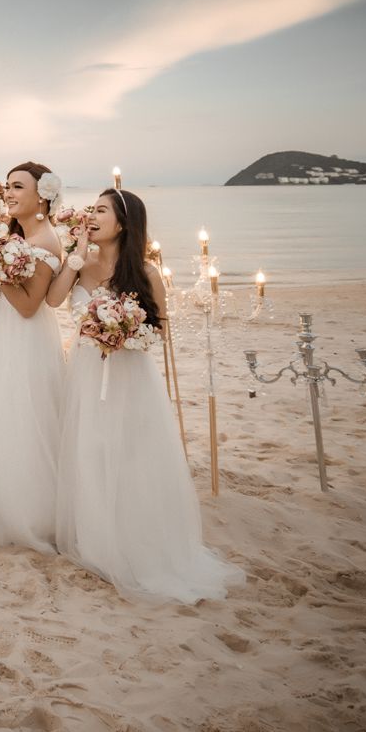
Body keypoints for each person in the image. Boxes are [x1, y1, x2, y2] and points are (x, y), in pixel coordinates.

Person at [50, 189, 243, 603]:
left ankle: (134, 540)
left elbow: (160, 330)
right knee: (89, 449)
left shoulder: (146, 272)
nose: (91, 216)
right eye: (91, 209)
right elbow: (52, 299)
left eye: (101, 210)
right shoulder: (81, 264)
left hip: (128, 375)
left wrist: (122, 331)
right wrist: (75, 257)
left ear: (123, 223)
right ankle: (96, 539)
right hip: (84, 372)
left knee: (129, 454)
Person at [0, 162, 67, 552]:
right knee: (3, 414)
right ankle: (3, 503)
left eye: (17, 187)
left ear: (41, 196)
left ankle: (30, 514)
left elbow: (29, 306)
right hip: (6, 330)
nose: (8, 193)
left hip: (25, 338)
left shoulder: (44, 241)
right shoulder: (21, 235)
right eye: (7, 186)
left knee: (23, 418)